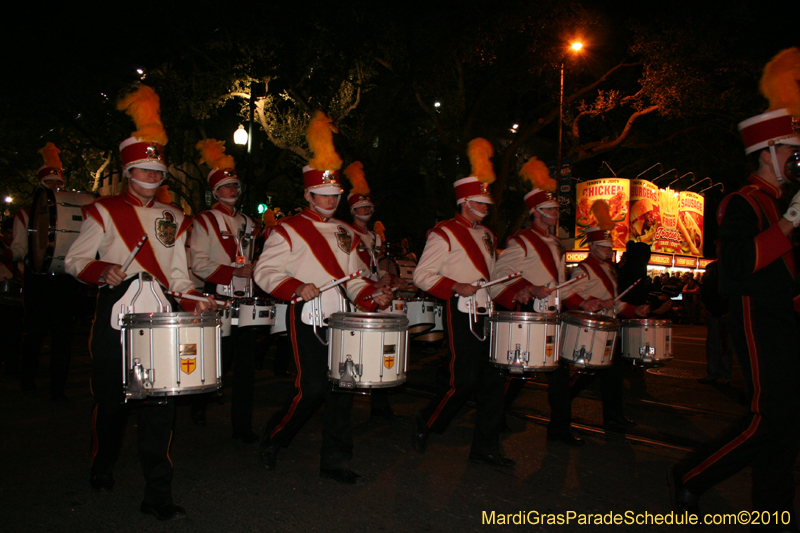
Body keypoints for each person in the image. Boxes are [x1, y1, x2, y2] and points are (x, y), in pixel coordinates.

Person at [65, 85, 216, 521]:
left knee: (159, 403)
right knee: (112, 401)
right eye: (143, 171)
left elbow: (178, 272)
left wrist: (192, 301)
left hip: (162, 310)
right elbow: (77, 260)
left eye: (157, 172)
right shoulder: (105, 210)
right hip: (116, 309)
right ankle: (102, 463)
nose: (151, 177)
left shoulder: (175, 217)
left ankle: (158, 494)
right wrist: (101, 271)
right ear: (129, 171)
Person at [669, 84, 800, 527]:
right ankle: (691, 474)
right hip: (758, 319)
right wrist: (790, 222)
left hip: (788, 320)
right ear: (767, 152)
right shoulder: (741, 202)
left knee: (788, 424)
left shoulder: (781, 203)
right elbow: (737, 268)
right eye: (791, 150)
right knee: (769, 418)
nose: (797, 158)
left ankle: (773, 513)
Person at [254, 111, 391, 484]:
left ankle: (336, 459)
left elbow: (355, 278)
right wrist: (296, 286)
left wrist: (370, 296)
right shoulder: (287, 231)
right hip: (306, 314)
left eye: (335, 195)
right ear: (308, 194)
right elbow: (264, 272)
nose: (330, 200)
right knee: (312, 387)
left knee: (343, 387)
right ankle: (274, 438)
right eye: (323, 194)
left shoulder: (346, 233)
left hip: (341, 317)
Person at [411, 138, 514, 467]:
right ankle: (427, 422)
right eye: (482, 204)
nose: (487, 208)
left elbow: (492, 275)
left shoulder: (487, 235)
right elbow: (422, 275)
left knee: (493, 381)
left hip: (487, 313)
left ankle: (486, 447)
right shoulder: (443, 233)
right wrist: (456, 286)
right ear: (466, 202)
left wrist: (512, 287)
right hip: (460, 311)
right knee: (464, 380)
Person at [491, 161, 582, 446]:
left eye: (556, 209)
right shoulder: (522, 241)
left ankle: (559, 429)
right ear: (536, 212)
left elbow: (558, 280)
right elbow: (498, 274)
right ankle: (494, 418)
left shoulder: (555, 242)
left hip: (553, 312)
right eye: (551, 210)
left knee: (559, 372)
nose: (556, 213)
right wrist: (528, 286)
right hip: (530, 311)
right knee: (519, 372)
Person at [189, 139, 259, 442]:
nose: (233, 190)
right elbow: (198, 263)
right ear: (215, 191)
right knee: (219, 359)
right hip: (217, 296)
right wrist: (234, 270)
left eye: (236, 185)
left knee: (247, 366)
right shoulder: (204, 220)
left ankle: (242, 426)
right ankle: (198, 403)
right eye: (227, 186)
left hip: (246, 298)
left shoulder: (249, 222)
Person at [3, 143, 82, 399]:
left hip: (65, 279)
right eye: (48, 183)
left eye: (57, 183)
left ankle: (57, 387)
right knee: (35, 332)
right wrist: (9, 254)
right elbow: (17, 249)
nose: (54, 187)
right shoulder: (26, 213)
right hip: (37, 279)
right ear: (40, 184)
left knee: (63, 335)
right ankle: (27, 379)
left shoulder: (74, 211)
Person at [562, 221, 649, 433]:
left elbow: (614, 301)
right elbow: (569, 295)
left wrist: (634, 310)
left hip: (609, 328)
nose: (610, 250)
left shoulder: (608, 268)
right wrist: (596, 302)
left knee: (612, 376)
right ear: (592, 247)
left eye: (610, 247)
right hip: (594, 330)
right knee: (590, 375)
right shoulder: (583, 269)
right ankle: (561, 406)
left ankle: (613, 417)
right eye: (605, 247)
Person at [343, 161, 402, 421]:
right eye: (361, 207)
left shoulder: (375, 237)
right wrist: (373, 283)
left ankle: (381, 405)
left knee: (380, 347)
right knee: (353, 350)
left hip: (375, 294)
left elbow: (377, 268)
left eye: (368, 206)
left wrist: (389, 278)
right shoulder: (345, 233)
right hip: (356, 295)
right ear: (353, 210)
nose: (366, 210)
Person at [697, 240, 732, 385]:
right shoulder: (711, 268)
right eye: (717, 246)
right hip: (714, 310)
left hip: (727, 312)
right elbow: (704, 288)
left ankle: (724, 374)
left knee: (726, 345)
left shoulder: (731, 267)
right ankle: (713, 372)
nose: (718, 249)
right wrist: (706, 304)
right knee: (713, 343)